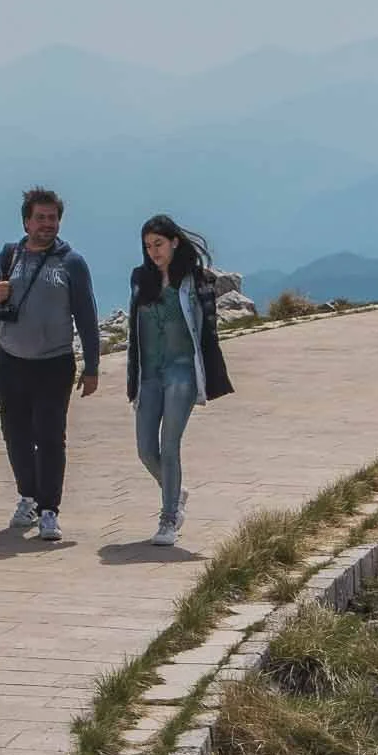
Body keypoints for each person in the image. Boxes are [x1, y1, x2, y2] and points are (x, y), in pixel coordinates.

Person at [0, 186, 100, 544]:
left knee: (50, 437)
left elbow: (87, 314)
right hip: (11, 362)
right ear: (26, 221)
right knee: (15, 436)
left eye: (53, 218)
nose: (47, 225)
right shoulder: (9, 256)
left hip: (54, 364)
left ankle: (50, 510)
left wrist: (92, 366)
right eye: (40, 218)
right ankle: (28, 497)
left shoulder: (72, 262)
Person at [125, 214, 233, 545]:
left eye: (158, 244)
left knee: (169, 446)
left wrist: (213, 374)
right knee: (145, 450)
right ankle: (177, 491)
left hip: (182, 371)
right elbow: (133, 335)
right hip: (150, 374)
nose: (153, 251)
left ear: (174, 242)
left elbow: (209, 331)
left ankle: (169, 518)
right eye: (147, 246)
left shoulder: (195, 280)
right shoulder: (139, 279)